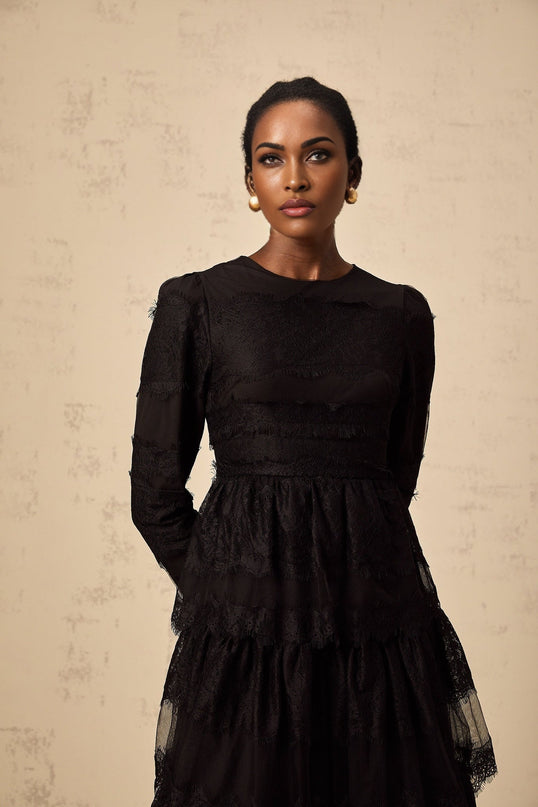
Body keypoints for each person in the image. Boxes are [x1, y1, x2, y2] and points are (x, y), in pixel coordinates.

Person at [130, 77, 498, 807]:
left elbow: (392, 477)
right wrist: (229, 598)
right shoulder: (197, 303)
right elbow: (155, 494)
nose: (294, 177)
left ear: (353, 175)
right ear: (250, 182)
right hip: (248, 645)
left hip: (378, 631)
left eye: (318, 155)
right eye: (272, 158)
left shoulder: (401, 314)